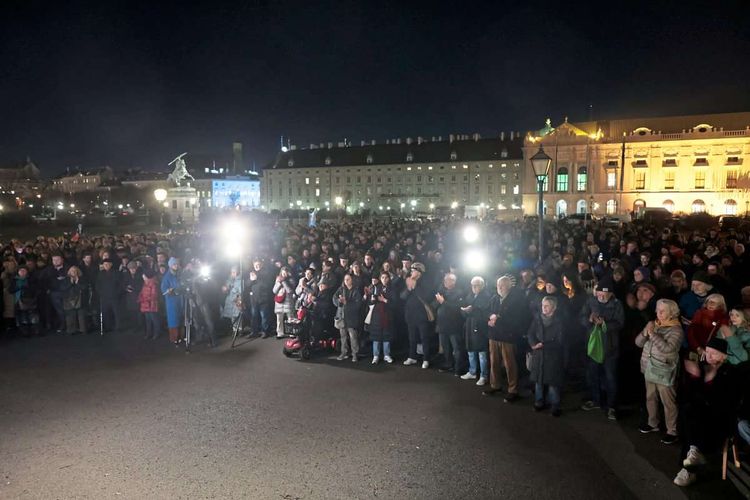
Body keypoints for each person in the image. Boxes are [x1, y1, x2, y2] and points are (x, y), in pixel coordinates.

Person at [673, 337, 741, 487]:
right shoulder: (701, 367)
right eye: (707, 352)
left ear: (724, 356)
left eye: (714, 354)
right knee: (689, 412)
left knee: (693, 420)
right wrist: (694, 378)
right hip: (696, 420)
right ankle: (691, 460)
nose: (709, 357)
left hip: (718, 420)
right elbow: (683, 397)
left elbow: (726, 403)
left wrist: (710, 381)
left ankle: (689, 469)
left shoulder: (730, 373)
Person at [634, 299, 683, 444]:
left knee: (668, 402)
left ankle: (672, 431)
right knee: (650, 397)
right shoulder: (653, 324)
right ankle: (652, 423)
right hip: (649, 368)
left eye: (662, 311)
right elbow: (638, 343)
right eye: (657, 310)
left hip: (664, 370)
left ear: (672, 313)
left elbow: (668, 349)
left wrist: (653, 334)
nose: (658, 313)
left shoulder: (676, 330)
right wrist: (645, 332)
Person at [580, 276, 625, 420]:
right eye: (599, 294)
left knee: (610, 377)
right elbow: (581, 317)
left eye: (604, 294)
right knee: (592, 375)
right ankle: (595, 400)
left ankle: (612, 406)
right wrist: (589, 320)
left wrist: (604, 324)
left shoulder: (617, 304)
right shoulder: (590, 301)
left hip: (610, 347)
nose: (601, 296)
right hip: (593, 346)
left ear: (611, 294)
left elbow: (620, 323)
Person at [485, 275, 530, 402]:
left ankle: (512, 389)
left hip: (508, 336)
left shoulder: (517, 300)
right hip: (494, 335)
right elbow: (487, 311)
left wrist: (498, 320)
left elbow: (517, 319)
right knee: (494, 362)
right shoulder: (494, 298)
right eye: (498, 285)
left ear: (509, 286)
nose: (499, 288)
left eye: (502, 285)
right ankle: (495, 385)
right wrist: (490, 317)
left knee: (510, 364)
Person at [527, 296, 565, 416]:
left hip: (552, 355)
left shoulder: (559, 321)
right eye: (543, 305)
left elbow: (560, 341)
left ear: (554, 307)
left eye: (547, 306)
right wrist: (533, 344)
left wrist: (543, 345)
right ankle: (539, 401)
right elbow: (530, 333)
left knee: (552, 382)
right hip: (539, 354)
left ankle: (555, 404)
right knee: (538, 380)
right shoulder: (537, 319)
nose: (544, 308)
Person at [401, 262, 436, 369]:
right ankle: (412, 356)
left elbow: (426, 296)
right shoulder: (409, 281)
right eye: (411, 270)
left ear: (420, 272)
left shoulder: (426, 282)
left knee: (424, 338)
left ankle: (426, 359)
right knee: (412, 337)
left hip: (422, 315)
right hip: (410, 314)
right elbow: (402, 296)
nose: (411, 272)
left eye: (414, 270)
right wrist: (409, 287)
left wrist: (415, 285)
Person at [684, 293, 728, 376]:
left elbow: (722, 338)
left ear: (721, 306)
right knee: (693, 374)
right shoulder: (699, 313)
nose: (710, 304)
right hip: (695, 349)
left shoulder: (723, 319)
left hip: (712, 353)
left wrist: (710, 352)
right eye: (709, 301)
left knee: (710, 375)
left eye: (714, 303)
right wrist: (697, 348)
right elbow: (691, 332)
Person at [459, 276, 491, 386]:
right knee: (470, 351)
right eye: (472, 285)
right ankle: (472, 371)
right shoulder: (470, 295)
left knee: (482, 353)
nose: (474, 287)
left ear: (482, 286)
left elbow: (485, 313)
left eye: (476, 285)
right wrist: (465, 311)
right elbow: (463, 309)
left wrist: (473, 310)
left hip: (480, 328)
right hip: (469, 326)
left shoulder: (487, 297)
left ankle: (484, 375)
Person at [433, 273, 466, 375]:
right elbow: (433, 305)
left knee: (457, 348)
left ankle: (458, 368)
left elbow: (457, 308)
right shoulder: (441, 291)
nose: (445, 282)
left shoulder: (459, 293)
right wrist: (439, 301)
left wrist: (443, 302)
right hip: (442, 325)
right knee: (445, 347)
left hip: (454, 325)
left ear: (454, 281)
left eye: (448, 280)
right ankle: (448, 364)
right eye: (445, 280)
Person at [366, 272, 397, 364]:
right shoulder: (376, 288)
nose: (384, 279)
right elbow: (370, 303)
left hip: (388, 315)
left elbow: (396, 304)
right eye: (382, 277)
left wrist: (385, 300)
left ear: (389, 278)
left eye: (386, 277)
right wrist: (372, 300)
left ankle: (386, 355)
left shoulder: (393, 289)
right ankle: (376, 355)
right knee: (376, 336)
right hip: (377, 315)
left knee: (386, 336)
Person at [333, 273, 362, 362]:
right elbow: (334, 298)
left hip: (352, 317)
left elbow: (358, 304)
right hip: (342, 316)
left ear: (352, 280)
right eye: (345, 279)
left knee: (353, 336)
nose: (346, 281)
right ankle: (344, 352)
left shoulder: (356, 291)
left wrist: (347, 303)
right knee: (343, 336)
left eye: (348, 279)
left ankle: (355, 354)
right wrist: (339, 301)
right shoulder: (341, 289)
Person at [248, 259, 274, 338]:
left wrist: (257, 278)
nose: (257, 266)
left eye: (258, 265)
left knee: (264, 316)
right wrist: (251, 280)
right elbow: (247, 285)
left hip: (263, 298)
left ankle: (265, 331)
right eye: (255, 265)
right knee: (254, 316)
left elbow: (268, 285)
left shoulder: (265, 273)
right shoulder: (252, 274)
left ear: (261, 265)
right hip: (254, 299)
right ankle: (254, 331)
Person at [161, 257, 184, 345]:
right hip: (172, 301)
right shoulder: (167, 277)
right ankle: (175, 338)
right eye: (174, 264)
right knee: (173, 320)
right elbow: (163, 289)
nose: (176, 266)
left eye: (177, 264)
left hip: (180, 299)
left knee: (181, 318)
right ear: (170, 265)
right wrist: (168, 291)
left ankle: (182, 337)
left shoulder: (179, 274)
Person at [96, 258, 122, 332]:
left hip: (114, 296)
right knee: (106, 313)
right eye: (105, 264)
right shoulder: (100, 273)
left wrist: (117, 293)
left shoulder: (116, 272)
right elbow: (97, 285)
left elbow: (120, 284)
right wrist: (100, 293)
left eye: (107, 264)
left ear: (111, 264)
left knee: (116, 313)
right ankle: (108, 327)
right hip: (104, 297)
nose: (106, 266)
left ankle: (118, 327)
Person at [62, 266, 88, 335]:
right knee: (70, 315)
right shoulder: (66, 279)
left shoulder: (82, 279)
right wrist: (70, 283)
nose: (73, 272)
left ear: (77, 272)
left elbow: (84, 287)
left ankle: (83, 330)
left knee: (81, 315)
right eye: (72, 271)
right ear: (69, 272)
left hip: (80, 298)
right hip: (69, 299)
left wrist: (77, 282)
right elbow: (63, 288)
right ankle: (71, 330)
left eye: (75, 271)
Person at [272, 267, 295, 339]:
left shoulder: (291, 280)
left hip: (288, 302)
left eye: (285, 272)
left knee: (290, 319)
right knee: (279, 319)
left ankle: (292, 333)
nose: (284, 274)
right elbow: (274, 291)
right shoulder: (278, 280)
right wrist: (278, 283)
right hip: (279, 302)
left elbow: (289, 291)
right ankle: (280, 333)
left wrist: (283, 282)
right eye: (283, 273)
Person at [138, 269, 160, 340]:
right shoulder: (145, 283)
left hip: (152, 305)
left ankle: (156, 333)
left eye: (144, 276)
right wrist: (140, 298)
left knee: (154, 320)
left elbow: (154, 295)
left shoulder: (153, 284)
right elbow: (142, 292)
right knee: (148, 320)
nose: (143, 277)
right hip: (145, 305)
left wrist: (145, 299)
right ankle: (149, 333)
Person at [221, 266, 243, 331]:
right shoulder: (229, 280)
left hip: (237, 300)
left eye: (235, 272)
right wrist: (225, 289)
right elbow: (225, 290)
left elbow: (241, 290)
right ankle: (235, 329)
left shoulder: (240, 280)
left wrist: (238, 298)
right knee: (232, 316)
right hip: (230, 300)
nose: (234, 273)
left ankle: (240, 329)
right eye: (232, 272)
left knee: (238, 315)